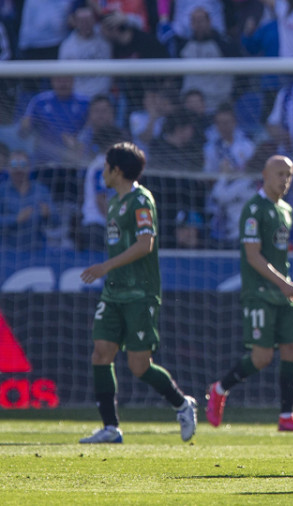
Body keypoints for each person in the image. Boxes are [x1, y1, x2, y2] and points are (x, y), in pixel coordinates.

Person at [78, 142, 198, 444]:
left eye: (106, 166)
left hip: (139, 294)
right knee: (101, 354)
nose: (103, 172)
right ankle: (110, 427)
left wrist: (105, 266)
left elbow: (146, 244)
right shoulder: (115, 202)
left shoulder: (141, 200)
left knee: (138, 365)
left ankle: (182, 404)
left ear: (116, 170)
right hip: (114, 293)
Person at [206, 155, 293, 432]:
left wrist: (284, 283)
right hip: (260, 292)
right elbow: (253, 257)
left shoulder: (286, 210)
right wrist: (284, 283)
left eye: (289, 175)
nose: (285, 180)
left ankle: (286, 416)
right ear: (265, 175)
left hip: (281, 289)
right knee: (261, 357)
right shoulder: (253, 209)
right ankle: (220, 389)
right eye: (280, 174)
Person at [0, 150, 56, 250]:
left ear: (30, 167)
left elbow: (57, 223)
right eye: (13, 164)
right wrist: (16, 219)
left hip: (36, 250)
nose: (18, 168)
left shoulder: (41, 190)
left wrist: (48, 215)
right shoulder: (2, 191)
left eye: (22, 164)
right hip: (6, 252)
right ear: (8, 168)